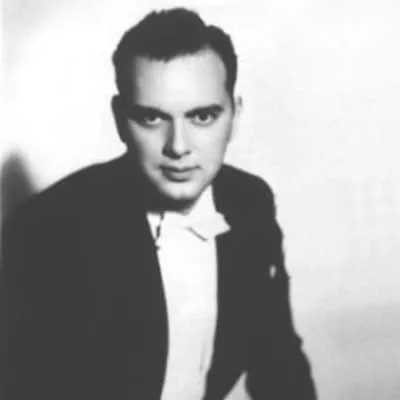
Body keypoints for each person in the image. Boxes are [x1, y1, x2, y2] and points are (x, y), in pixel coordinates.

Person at [2, 8, 317, 400]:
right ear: (120, 120)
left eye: (203, 116)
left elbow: (278, 361)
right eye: (152, 119)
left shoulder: (249, 202)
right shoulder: (48, 227)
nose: (178, 146)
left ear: (235, 115)